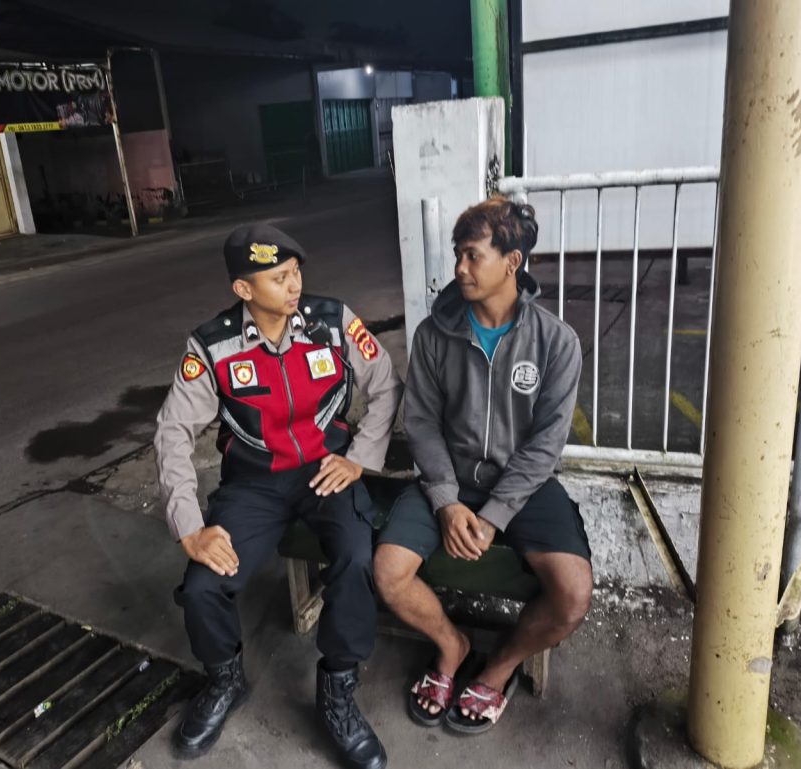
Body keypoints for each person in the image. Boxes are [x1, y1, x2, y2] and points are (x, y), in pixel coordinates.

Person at [155, 223, 402, 768]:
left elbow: (385, 384)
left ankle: (338, 690)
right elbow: (173, 431)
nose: (294, 286)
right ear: (243, 290)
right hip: (254, 484)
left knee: (357, 557)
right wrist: (190, 525)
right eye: (278, 278)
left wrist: (360, 459)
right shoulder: (212, 345)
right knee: (201, 587)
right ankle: (225, 679)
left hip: (325, 470)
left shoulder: (333, 322)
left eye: (296, 273)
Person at [373, 196, 592, 734]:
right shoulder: (433, 335)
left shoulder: (556, 343)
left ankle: (498, 667)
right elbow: (420, 422)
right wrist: (446, 501)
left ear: (512, 261)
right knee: (388, 571)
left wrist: (494, 515)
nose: (460, 269)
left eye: (472, 256)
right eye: (458, 254)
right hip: (447, 479)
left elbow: (546, 444)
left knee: (572, 594)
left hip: (521, 488)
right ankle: (453, 647)